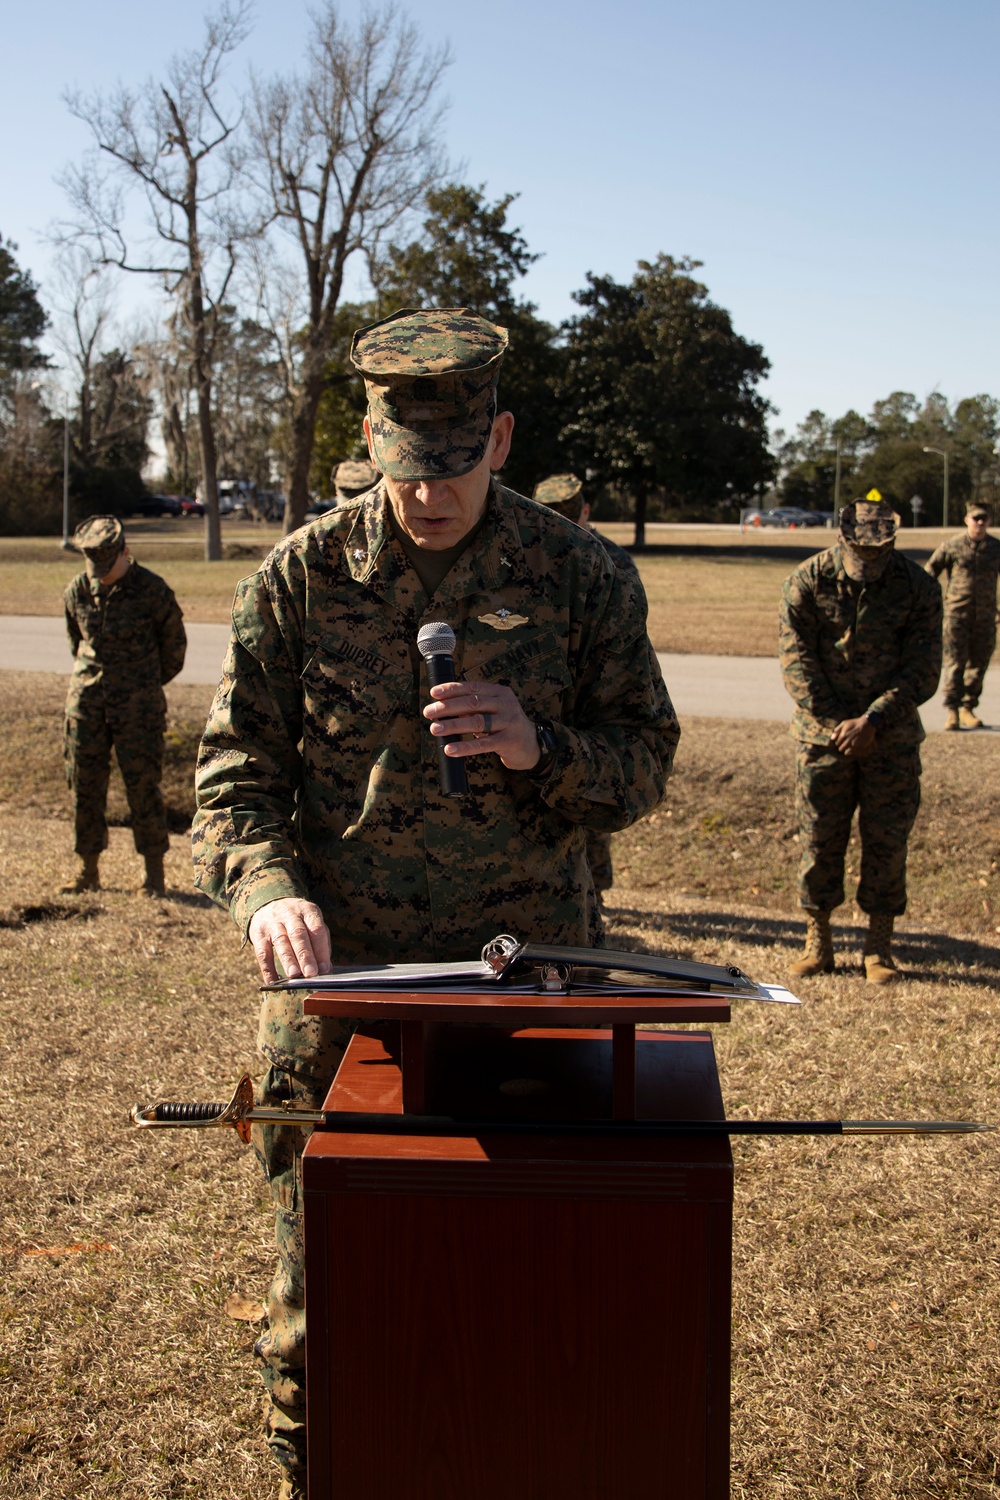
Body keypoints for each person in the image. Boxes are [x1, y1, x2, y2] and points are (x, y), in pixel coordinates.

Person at [192, 307, 679, 1500]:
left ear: (500, 436)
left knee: (521, 1269)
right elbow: (232, 778)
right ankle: (317, 1471)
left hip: (528, 981)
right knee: (324, 1289)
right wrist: (265, 889)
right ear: (369, 435)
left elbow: (646, 759)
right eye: (406, 468)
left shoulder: (580, 574)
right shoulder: (300, 577)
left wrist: (540, 745)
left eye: (455, 466)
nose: (427, 497)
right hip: (342, 987)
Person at [779, 493, 942, 984]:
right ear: (841, 539)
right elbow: (796, 663)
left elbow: (923, 669)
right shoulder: (806, 580)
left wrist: (873, 720)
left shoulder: (919, 587)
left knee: (887, 841)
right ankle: (818, 941)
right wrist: (838, 725)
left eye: (878, 557)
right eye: (859, 558)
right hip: (822, 739)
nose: (867, 568)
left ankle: (879, 946)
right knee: (819, 838)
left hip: (889, 739)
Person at [532, 471, 644, 897]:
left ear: (586, 510)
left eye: (568, 514)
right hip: (543, 709)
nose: (562, 523)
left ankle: (594, 895)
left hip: (590, 705)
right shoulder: (525, 553)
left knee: (591, 807)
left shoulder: (610, 561)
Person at [63, 515, 186, 896]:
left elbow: (174, 650)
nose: (100, 574)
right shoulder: (77, 590)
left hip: (139, 709)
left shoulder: (153, 590)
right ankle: (88, 870)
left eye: (107, 565)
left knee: (144, 788)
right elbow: (75, 641)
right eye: (94, 566)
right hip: (86, 706)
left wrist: (141, 684)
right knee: (84, 787)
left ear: (125, 553)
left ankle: (154, 876)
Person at [925, 503, 1000, 730]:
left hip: (986, 617)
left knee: (979, 664)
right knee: (955, 664)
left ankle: (969, 707)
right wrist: (934, 604)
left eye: (983, 519)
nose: (979, 523)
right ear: (967, 519)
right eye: (975, 518)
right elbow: (930, 572)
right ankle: (952, 711)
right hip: (956, 615)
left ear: (988, 521)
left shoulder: (996, 548)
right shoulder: (952, 545)